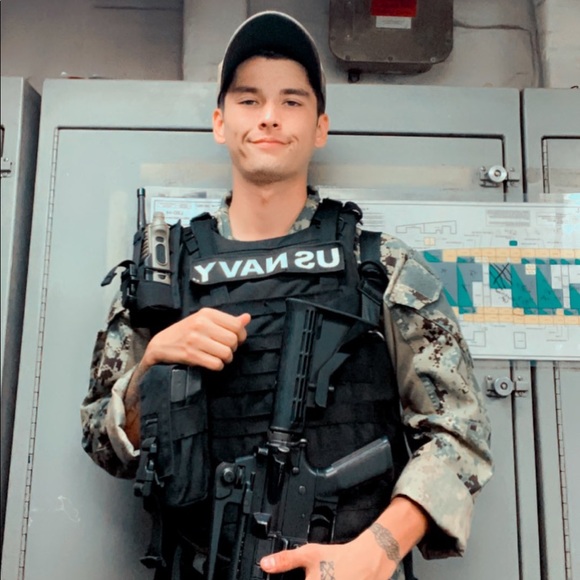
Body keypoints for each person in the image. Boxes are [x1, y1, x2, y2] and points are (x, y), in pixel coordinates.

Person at [81, 10, 492, 580]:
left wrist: (377, 549)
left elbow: (459, 431)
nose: (269, 116)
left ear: (320, 127)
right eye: (249, 100)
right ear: (220, 122)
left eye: (291, 101)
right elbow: (101, 440)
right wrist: (149, 372)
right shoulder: (163, 275)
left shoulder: (379, 266)